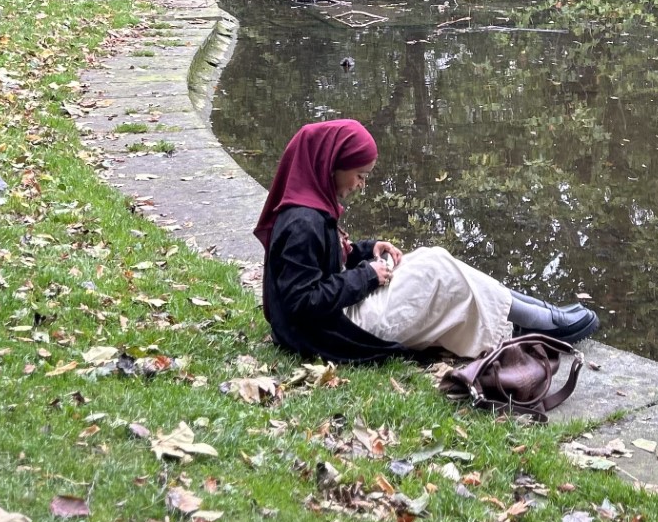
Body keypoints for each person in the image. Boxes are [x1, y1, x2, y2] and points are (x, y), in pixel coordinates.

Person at [254, 118, 599, 363]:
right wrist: (367, 276)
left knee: (430, 257)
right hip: (329, 333)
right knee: (436, 272)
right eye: (360, 175)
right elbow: (301, 302)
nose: (361, 184)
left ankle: (531, 313)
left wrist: (366, 250)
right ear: (330, 164)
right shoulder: (303, 222)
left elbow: (324, 263)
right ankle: (537, 320)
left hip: (332, 320)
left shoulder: (311, 208)